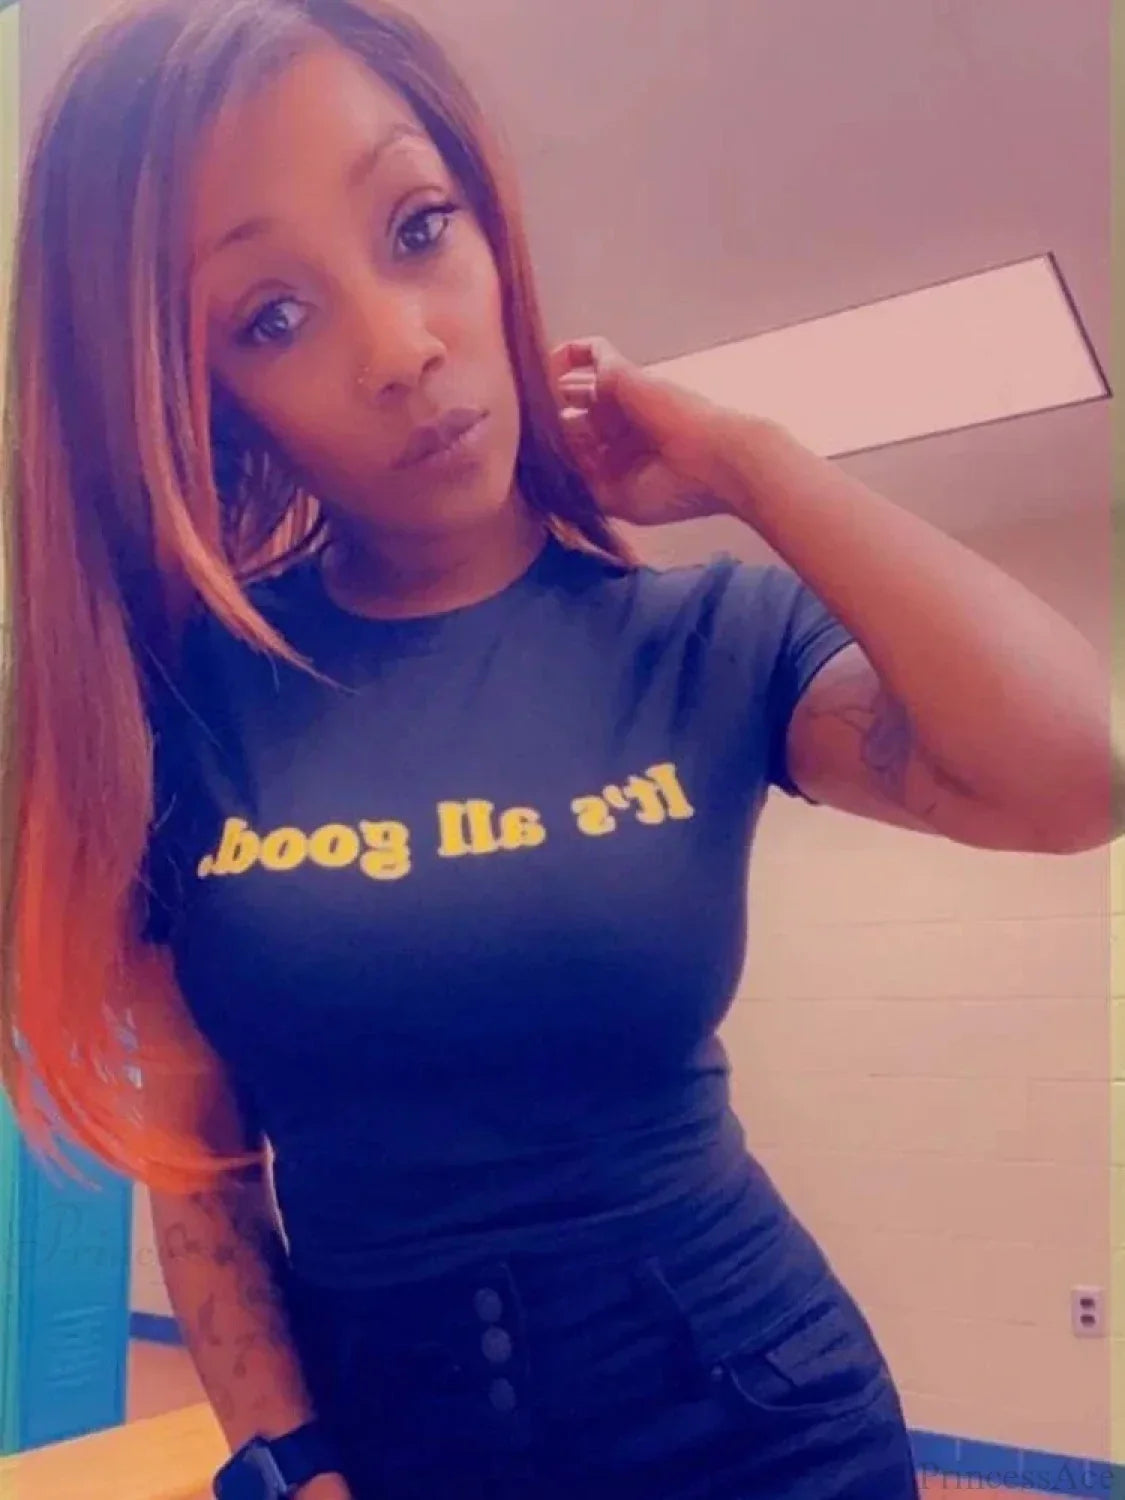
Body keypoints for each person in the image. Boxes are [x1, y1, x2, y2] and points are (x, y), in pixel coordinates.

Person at [0, 1, 1114, 1496]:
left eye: (418, 228)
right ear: (205, 396)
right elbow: (202, 1169)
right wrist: (290, 1463)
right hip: (395, 1444)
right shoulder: (185, 702)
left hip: (763, 1423)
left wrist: (746, 459)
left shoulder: (705, 639)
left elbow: (1073, 778)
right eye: (272, 316)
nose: (403, 349)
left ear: (491, 230)